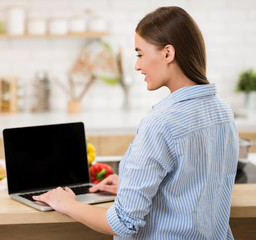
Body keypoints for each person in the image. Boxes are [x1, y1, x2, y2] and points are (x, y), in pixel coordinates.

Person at [33, 6, 239, 239]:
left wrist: (66, 203)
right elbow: (192, 192)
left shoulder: (160, 123)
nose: (137, 65)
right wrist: (131, 188)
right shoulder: (222, 111)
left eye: (140, 54)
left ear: (168, 53)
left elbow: (122, 223)